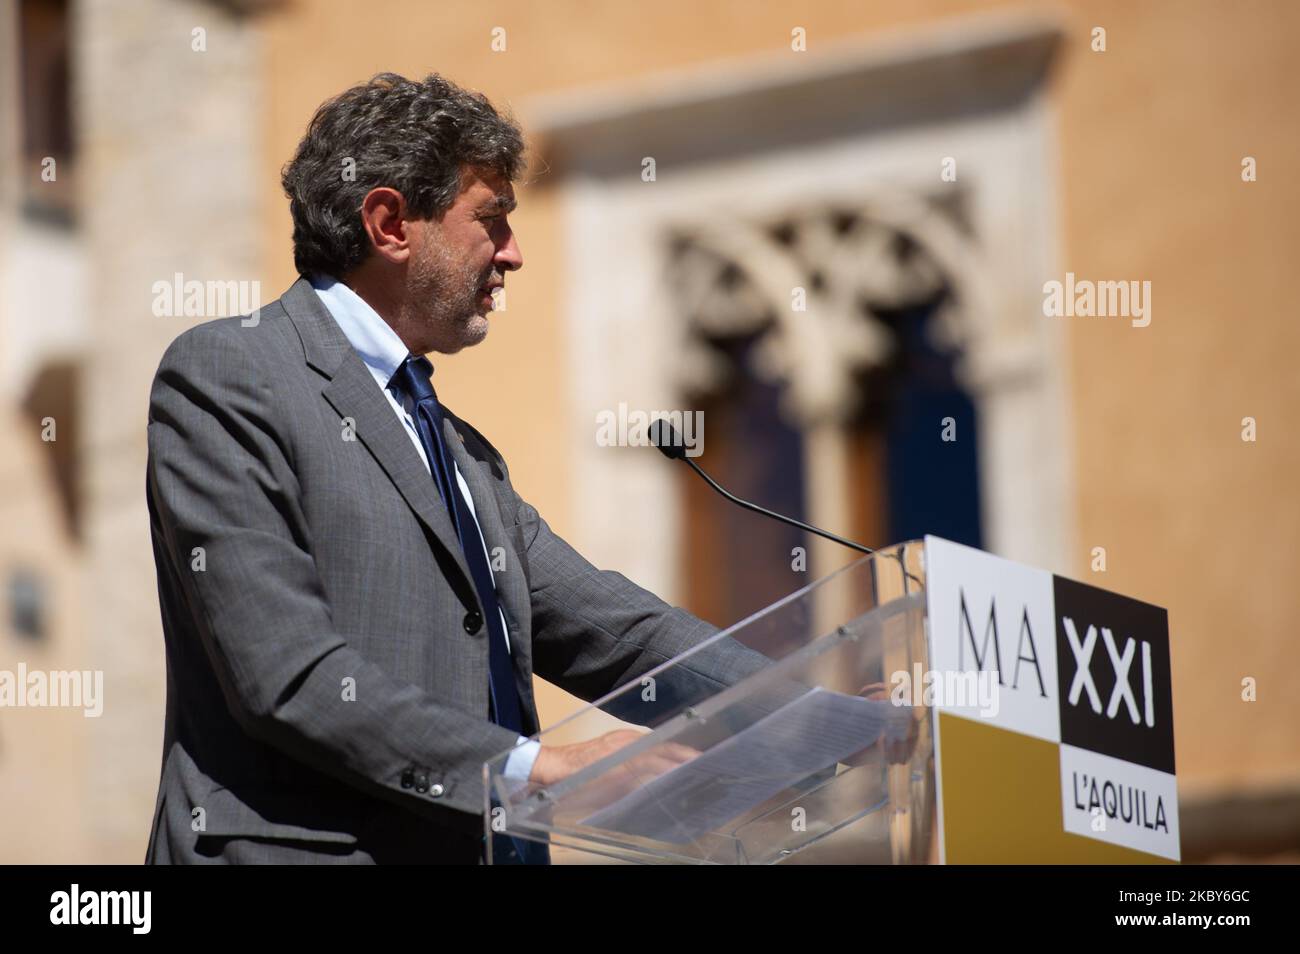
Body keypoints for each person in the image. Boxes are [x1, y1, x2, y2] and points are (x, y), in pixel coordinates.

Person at [143, 72, 772, 865]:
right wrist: (543, 773)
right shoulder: (232, 374)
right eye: (492, 221)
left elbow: (618, 630)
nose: (513, 253)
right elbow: (287, 674)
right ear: (390, 223)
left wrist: (805, 711)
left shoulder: (460, 449)